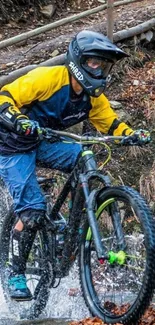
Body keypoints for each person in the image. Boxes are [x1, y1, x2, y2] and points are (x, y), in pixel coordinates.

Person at [0, 30, 150, 301]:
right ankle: (16, 272)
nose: (99, 69)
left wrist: (131, 134)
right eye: (94, 62)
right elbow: (4, 98)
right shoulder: (47, 78)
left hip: (47, 142)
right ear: (78, 61)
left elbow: (111, 123)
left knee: (84, 156)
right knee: (32, 211)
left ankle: (69, 227)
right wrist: (19, 121)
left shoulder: (93, 97)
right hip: (13, 145)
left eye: (103, 65)